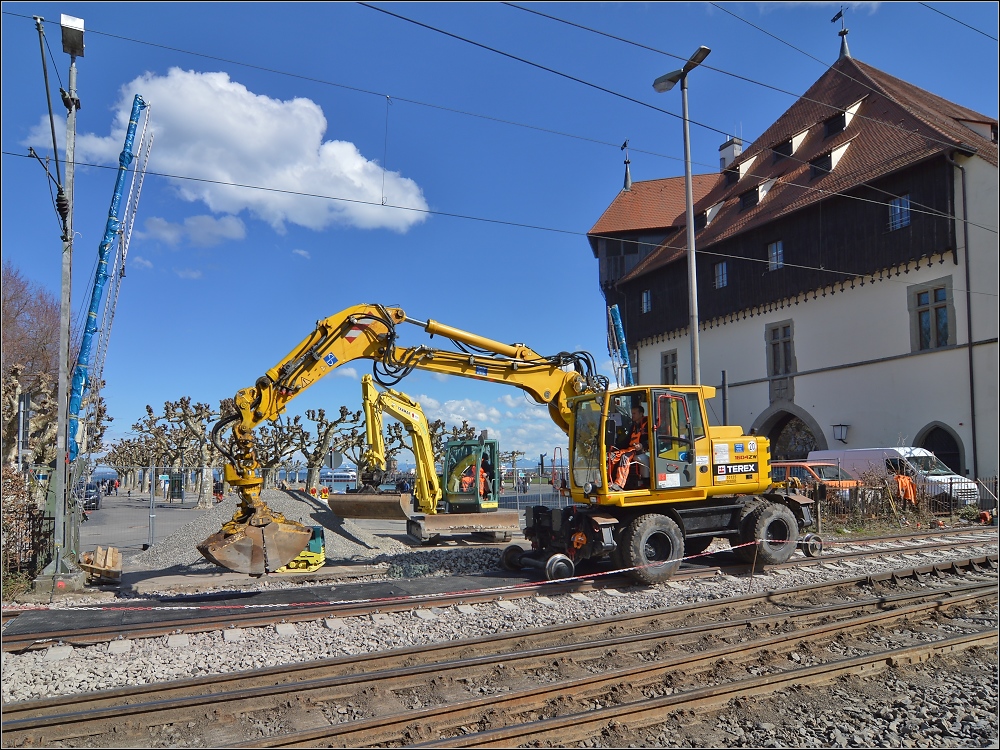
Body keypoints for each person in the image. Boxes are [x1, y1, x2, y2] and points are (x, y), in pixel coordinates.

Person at [608, 403, 649, 490]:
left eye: (634, 413)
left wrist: (642, 445)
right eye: (632, 413)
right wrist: (613, 447)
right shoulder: (633, 426)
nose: (632, 415)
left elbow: (651, 439)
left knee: (624, 458)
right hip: (630, 449)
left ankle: (619, 484)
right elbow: (627, 441)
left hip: (641, 450)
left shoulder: (647, 424)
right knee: (612, 456)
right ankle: (609, 481)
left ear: (641, 414)